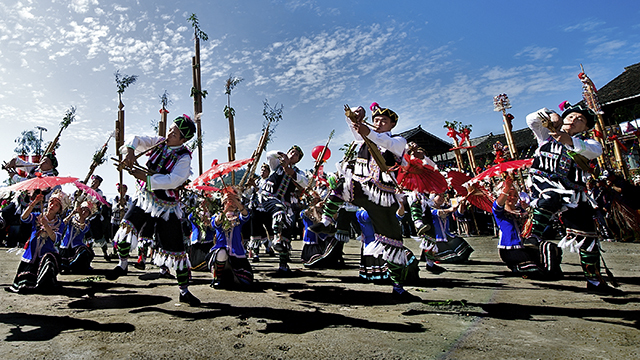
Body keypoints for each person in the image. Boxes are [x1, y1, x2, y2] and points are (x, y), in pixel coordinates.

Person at [310, 103, 420, 301]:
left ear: (393, 124)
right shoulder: (365, 137)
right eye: (376, 119)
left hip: (385, 197)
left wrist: (366, 129)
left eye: (383, 121)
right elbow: (357, 130)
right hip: (364, 187)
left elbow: (379, 139)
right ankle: (326, 222)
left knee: (393, 243)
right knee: (342, 185)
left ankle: (398, 287)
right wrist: (354, 116)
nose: (378, 123)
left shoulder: (398, 141)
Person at [525, 104, 622, 295]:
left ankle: (594, 281)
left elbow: (595, 151)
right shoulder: (546, 135)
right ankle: (533, 237)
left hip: (575, 195)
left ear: (586, 128)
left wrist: (568, 140)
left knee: (589, 239)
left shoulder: (589, 143)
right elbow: (531, 120)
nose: (575, 120)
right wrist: (549, 114)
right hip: (546, 185)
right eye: (571, 117)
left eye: (581, 119)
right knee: (551, 196)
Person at [107, 114, 201, 306]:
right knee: (127, 227)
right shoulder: (159, 142)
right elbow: (137, 138)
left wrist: (146, 177)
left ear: (183, 139)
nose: (169, 134)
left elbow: (175, 180)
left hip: (167, 207)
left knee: (176, 249)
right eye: (170, 129)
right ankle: (122, 264)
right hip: (145, 198)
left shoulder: (184, 156)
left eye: (174, 133)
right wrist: (131, 150)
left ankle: (184, 291)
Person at [252, 146, 308, 274]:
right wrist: (282, 155)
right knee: (279, 211)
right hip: (269, 197)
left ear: (298, 160)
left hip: (285, 203)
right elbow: (269, 155)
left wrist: (291, 171)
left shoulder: (299, 172)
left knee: (287, 230)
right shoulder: (276, 164)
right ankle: (276, 238)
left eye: (297, 154)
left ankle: (283, 264)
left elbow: (306, 182)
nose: (293, 154)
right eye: (292, 151)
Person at [493, 175, 562, 278]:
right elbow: (498, 204)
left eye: (515, 195)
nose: (512, 197)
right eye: (509, 195)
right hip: (510, 250)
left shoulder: (522, 210)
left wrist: (528, 209)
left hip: (526, 246)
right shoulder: (500, 213)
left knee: (550, 248)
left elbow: (535, 222)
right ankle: (518, 267)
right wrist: (506, 188)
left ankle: (549, 272)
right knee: (531, 269)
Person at [5, 189, 69, 293]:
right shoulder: (37, 216)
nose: (52, 205)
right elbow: (24, 217)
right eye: (52, 202)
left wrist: (46, 225)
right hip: (32, 253)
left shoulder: (60, 223)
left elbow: (55, 239)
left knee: (49, 261)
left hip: (46, 254)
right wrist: (34, 202)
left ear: (59, 210)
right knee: (24, 284)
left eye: (57, 205)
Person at [207, 189, 253, 289]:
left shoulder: (238, 217)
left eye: (234, 201)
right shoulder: (217, 216)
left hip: (237, 254)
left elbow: (246, 215)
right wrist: (225, 210)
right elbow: (216, 223)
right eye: (228, 200)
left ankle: (230, 277)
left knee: (246, 281)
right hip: (221, 252)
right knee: (221, 252)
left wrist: (235, 201)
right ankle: (217, 279)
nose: (231, 203)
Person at [425, 192, 474, 264]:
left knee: (463, 248)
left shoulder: (445, 207)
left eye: (443, 196)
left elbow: (458, 214)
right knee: (448, 257)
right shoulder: (428, 209)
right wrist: (450, 210)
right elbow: (437, 213)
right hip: (436, 238)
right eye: (440, 196)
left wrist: (461, 203)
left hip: (447, 235)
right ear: (433, 198)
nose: (442, 198)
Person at [59, 200, 95, 273]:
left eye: (87, 211)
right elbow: (62, 224)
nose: (84, 212)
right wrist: (72, 213)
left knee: (84, 252)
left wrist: (81, 215)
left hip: (77, 245)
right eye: (83, 209)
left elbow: (83, 229)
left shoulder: (87, 222)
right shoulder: (73, 218)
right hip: (65, 245)